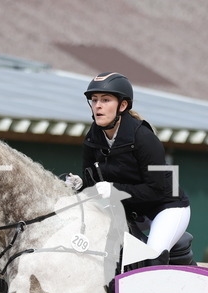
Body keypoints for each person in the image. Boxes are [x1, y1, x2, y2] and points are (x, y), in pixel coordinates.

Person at [64, 72, 192, 268]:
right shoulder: (93, 136)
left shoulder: (145, 138)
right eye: (94, 100)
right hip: (132, 210)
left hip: (167, 206)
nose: (97, 106)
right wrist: (81, 186)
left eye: (105, 100)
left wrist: (114, 189)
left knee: (152, 256)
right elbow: (94, 185)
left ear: (122, 105)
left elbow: (157, 190)